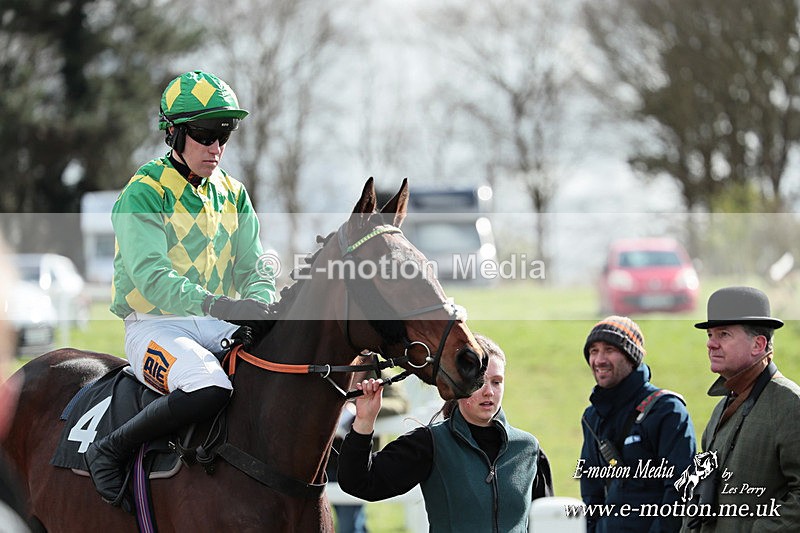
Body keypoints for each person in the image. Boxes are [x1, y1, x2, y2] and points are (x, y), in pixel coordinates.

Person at [83, 70, 276, 507]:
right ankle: (109, 449)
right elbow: (151, 278)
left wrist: (260, 306)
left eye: (224, 135)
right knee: (210, 387)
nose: (216, 147)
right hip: (154, 325)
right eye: (205, 135)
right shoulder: (144, 191)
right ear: (173, 133)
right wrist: (219, 304)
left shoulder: (234, 193)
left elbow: (255, 267)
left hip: (215, 321)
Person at [337, 334, 553, 533]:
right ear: (456, 383)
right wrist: (364, 421)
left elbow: (547, 522)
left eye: (496, 382)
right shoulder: (430, 443)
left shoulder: (527, 448)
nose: (489, 391)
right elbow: (359, 482)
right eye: (478, 381)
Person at [686, 286, 800, 531]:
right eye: (710, 334)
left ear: (758, 344)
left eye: (724, 334)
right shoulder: (721, 408)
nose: (710, 344)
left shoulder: (791, 404)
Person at [578, 315, 696, 533]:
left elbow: (680, 489)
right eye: (593, 351)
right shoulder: (592, 418)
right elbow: (591, 493)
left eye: (609, 350)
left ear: (631, 357)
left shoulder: (666, 410)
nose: (599, 360)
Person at [327, 373, 409, 533]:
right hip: (325, 457)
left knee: (349, 522)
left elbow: (400, 404)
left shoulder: (380, 374)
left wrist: (358, 410)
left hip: (356, 459)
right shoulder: (332, 369)